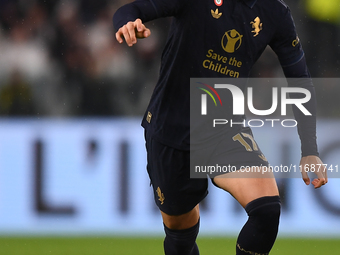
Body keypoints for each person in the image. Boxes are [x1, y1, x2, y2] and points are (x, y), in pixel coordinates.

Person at [113, 0, 328, 254]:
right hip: (171, 128)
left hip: (224, 128)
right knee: (180, 236)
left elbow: (299, 81)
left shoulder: (275, 11)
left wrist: (310, 149)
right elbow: (133, 9)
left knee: (267, 210)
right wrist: (127, 22)